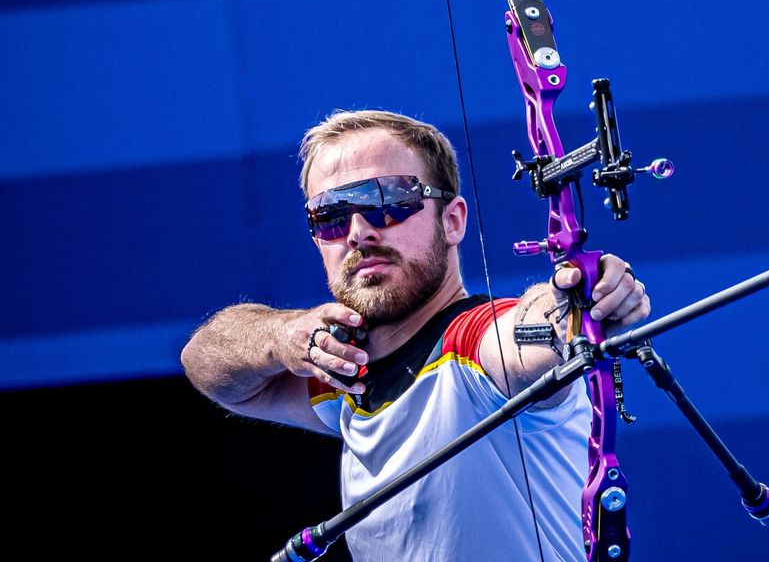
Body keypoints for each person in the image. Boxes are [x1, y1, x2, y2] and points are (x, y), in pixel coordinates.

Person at [181, 110, 650, 561]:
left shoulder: (472, 347)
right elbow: (204, 362)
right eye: (332, 216)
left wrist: (579, 303)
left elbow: (529, 331)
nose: (358, 233)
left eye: (387, 202)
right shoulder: (343, 374)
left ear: (453, 220)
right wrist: (281, 335)